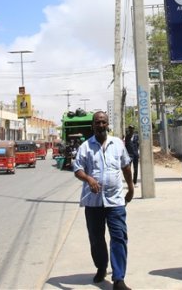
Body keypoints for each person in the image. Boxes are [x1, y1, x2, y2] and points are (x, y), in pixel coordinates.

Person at [72, 111, 135, 290]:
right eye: (97, 123)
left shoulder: (117, 144)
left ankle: (118, 278)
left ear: (108, 125)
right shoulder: (85, 147)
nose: (101, 126)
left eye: (104, 122)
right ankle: (101, 267)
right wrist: (89, 179)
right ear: (93, 125)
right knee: (96, 238)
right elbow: (77, 169)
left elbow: (126, 166)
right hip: (93, 203)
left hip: (115, 200)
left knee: (119, 237)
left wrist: (130, 188)